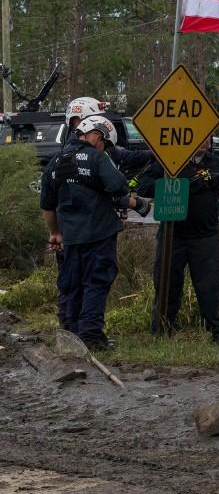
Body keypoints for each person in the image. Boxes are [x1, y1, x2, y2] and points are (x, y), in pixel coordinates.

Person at [39, 115, 148, 350]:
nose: (105, 149)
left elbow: (47, 206)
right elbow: (119, 185)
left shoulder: (55, 162)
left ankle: (70, 333)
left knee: (71, 284)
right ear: (97, 136)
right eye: (105, 144)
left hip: (69, 237)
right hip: (99, 234)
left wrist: (55, 233)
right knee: (96, 282)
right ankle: (90, 336)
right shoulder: (96, 158)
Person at [136, 136, 219, 340]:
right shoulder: (170, 162)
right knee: (166, 285)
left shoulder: (217, 165)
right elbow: (143, 186)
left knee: (210, 287)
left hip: (205, 237)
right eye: (198, 138)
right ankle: (161, 334)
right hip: (171, 236)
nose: (203, 143)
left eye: (207, 139)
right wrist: (178, 183)